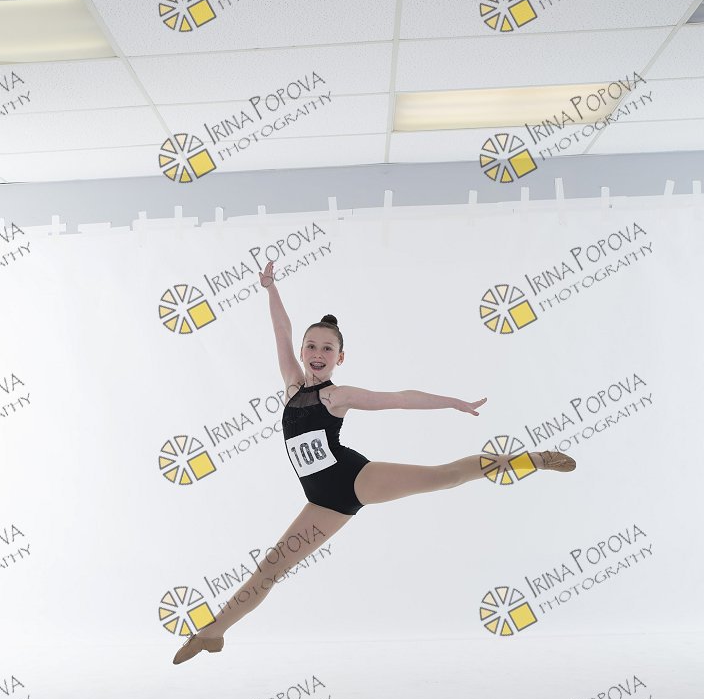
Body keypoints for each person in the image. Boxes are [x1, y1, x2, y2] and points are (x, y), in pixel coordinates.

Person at [173, 259, 575, 664]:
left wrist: (453, 403)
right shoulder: (292, 385)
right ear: (302, 351)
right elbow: (281, 330)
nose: (317, 353)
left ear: (340, 358)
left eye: (327, 349)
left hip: (353, 479)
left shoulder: (338, 396)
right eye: (311, 346)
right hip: (321, 502)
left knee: (447, 476)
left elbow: (400, 399)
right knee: (270, 569)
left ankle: (532, 459)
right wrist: (270, 288)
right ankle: (213, 633)